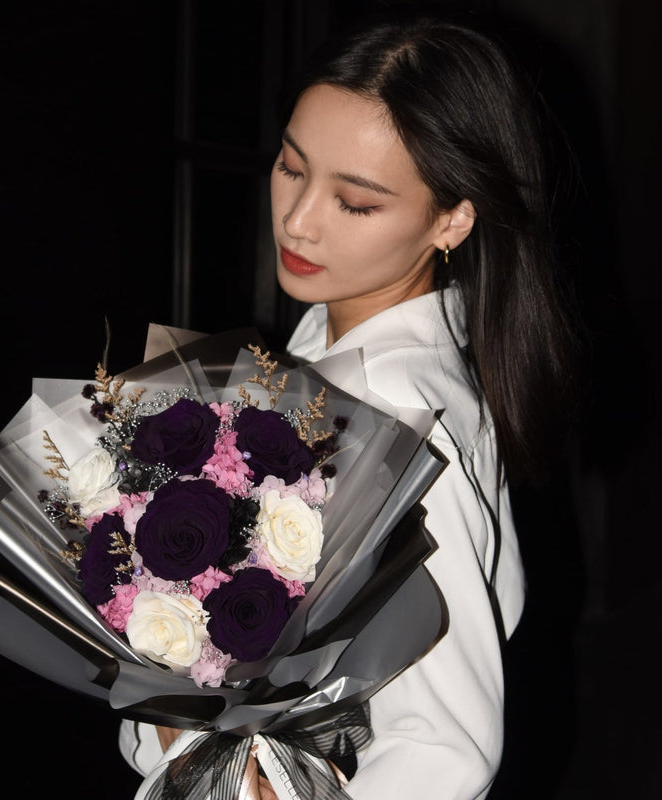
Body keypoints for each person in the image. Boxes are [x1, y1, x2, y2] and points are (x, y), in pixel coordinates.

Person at [119, 11, 579, 799]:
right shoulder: (345, 340)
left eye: (355, 202)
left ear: (453, 217)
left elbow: (447, 744)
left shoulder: (390, 408)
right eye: (292, 167)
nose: (299, 221)